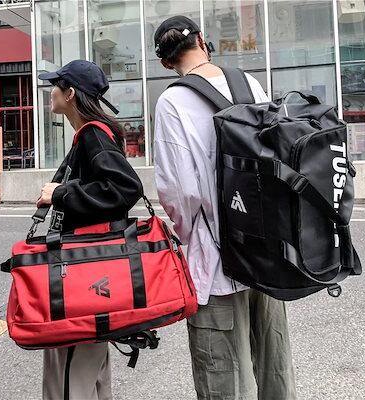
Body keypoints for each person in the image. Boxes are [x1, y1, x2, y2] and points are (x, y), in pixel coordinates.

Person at [153, 16, 297, 400]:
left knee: (224, 378)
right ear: (203, 40)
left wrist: (192, 239)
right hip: (267, 253)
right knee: (275, 367)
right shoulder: (250, 83)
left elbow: (180, 192)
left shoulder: (172, 101)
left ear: (165, 62)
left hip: (216, 263)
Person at [38, 60, 143, 400]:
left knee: (69, 378)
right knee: (90, 374)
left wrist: (61, 193)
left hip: (83, 276)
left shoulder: (93, 134)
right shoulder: (91, 133)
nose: (50, 92)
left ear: (70, 93)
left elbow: (125, 187)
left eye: (55, 85)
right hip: (92, 272)